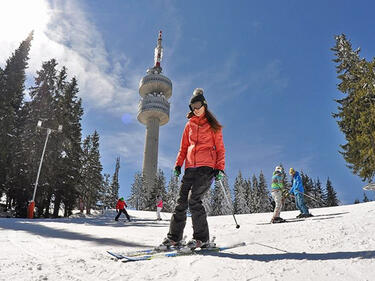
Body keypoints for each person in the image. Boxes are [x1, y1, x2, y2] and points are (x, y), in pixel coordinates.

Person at [161, 88, 225, 249]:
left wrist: (219, 168)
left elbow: (220, 149)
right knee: (181, 202)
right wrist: (178, 164)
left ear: (204, 104)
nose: (196, 109)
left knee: (194, 199)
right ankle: (174, 237)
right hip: (190, 168)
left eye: (198, 105)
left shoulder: (213, 126)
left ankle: (201, 238)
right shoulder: (189, 125)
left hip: (206, 168)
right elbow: (183, 148)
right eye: (193, 107)